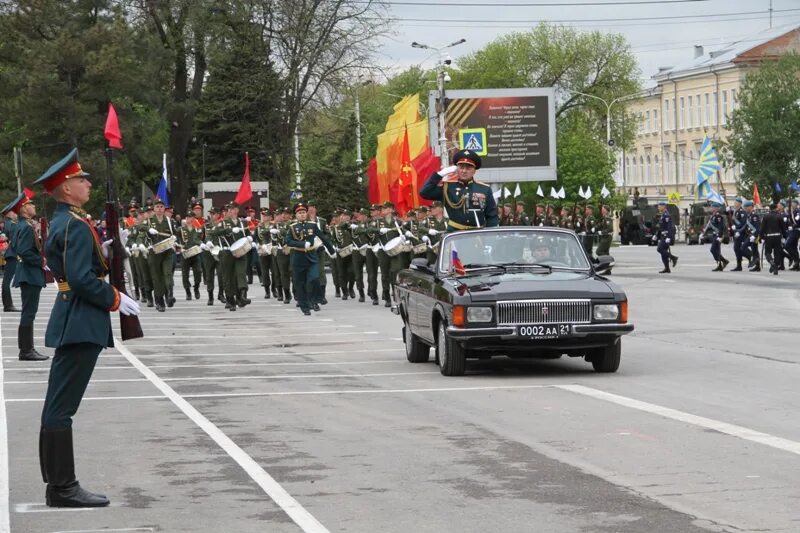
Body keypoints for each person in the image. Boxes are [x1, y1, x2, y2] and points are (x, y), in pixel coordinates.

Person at [32, 148, 140, 507]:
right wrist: (114, 298)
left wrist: (103, 254)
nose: (87, 183)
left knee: (57, 404)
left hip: (71, 316)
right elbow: (79, 278)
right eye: (80, 179)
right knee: (62, 407)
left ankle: (57, 484)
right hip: (81, 319)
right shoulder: (75, 225)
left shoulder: (67, 222)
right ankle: (63, 488)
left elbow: (71, 266)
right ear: (65, 189)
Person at [1, 190, 49, 361]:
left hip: (27, 273)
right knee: (29, 313)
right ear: (23, 209)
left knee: (29, 312)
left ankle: (27, 349)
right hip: (29, 274)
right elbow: (23, 251)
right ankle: (26, 350)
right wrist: (40, 261)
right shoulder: (26, 227)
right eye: (30, 204)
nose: (33, 206)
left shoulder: (24, 226)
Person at [419, 149, 499, 231]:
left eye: (468, 168)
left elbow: (492, 217)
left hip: (477, 234)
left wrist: (490, 238)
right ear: (457, 169)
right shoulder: (448, 187)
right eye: (461, 167)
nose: (464, 171)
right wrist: (440, 174)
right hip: (455, 234)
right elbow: (424, 193)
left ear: (474, 171)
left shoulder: (484, 189)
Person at [285, 203, 335, 315]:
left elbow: (323, 238)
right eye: (299, 213)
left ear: (306, 213)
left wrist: (332, 251)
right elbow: (288, 241)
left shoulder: (312, 225)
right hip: (298, 257)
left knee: (314, 278)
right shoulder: (292, 227)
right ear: (296, 215)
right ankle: (305, 307)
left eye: (303, 212)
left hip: (311, 256)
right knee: (300, 283)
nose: (302, 215)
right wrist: (302, 244)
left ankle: (316, 299)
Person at [145, 199, 177, 311]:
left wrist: (174, 238)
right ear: (154, 209)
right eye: (157, 207)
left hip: (167, 251)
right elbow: (140, 227)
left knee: (167, 273)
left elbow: (175, 232)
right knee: (157, 277)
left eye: (161, 207)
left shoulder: (169, 220)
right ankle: (159, 300)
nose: (159, 209)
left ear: (164, 209)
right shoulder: (149, 221)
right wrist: (149, 229)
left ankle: (169, 294)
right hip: (154, 253)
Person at [2, 203, 20, 312]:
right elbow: (15, 241)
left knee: (7, 280)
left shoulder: (7, 224)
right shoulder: (11, 224)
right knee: (7, 281)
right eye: (14, 212)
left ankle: (8, 305)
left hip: (10, 254)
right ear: (9, 213)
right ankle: (8, 305)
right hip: (13, 255)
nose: (16, 214)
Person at [759, 202, 786, 275]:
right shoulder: (779, 216)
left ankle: (772, 263)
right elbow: (783, 228)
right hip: (777, 236)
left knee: (767, 252)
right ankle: (775, 266)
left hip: (768, 237)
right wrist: (785, 237)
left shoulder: (766, 217)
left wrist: (760, 237)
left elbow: (762, 228)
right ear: (776, 208)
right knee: (777, 253)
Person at [704, 201, 730, 271]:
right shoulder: (713, 215)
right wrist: (703, 232)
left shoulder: (719, 216)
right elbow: (711, 226)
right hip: (715, 235)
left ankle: (723, 261)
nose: (711, 208)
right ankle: (720, 264)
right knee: (716, 250)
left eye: (713, 207)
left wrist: (720, 236)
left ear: (716, 208)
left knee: (713, 250)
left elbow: (721, 227)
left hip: (719, 235)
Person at [655, 200, 678, 273]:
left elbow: (669, 227)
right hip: (663, 236)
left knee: (660, 249)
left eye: (659, 206)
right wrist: (656, 235)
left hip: (666, 236)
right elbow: (661, 227)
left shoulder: (667, 215)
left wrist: (668, 237)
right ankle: (667, 268)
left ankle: (673, 257)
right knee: (662, 252)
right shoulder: (663, 215)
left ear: (663, 206)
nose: (658, 207)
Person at [730, 197, 750, 271]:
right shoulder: (735, 211)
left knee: (737, 248)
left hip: (740, 233)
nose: (734, 204)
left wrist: (737, 229)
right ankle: (739, 265)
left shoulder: (742, 212)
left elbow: (743, 223)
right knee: (737, 249)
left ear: (739, 204)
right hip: (736, 233)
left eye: (736, 203)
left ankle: (749, 256)